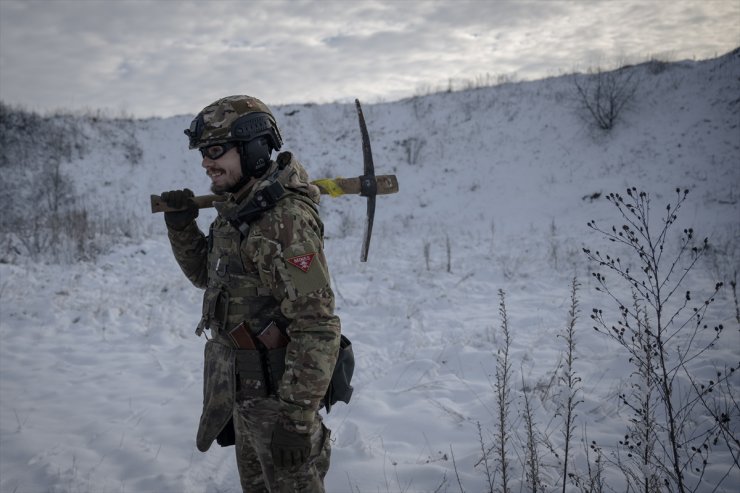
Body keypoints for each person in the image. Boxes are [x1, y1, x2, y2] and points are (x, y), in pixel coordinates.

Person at [160, 95, 341, 492]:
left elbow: (317, 326)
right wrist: (181, 227)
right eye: (203, 153)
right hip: (246, 396)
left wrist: (295, 422)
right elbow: (206, 277)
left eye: (215, 151)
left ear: (254, 147)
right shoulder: (239, 209)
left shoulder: (283, 222)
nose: (206, 162)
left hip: (281, 402)